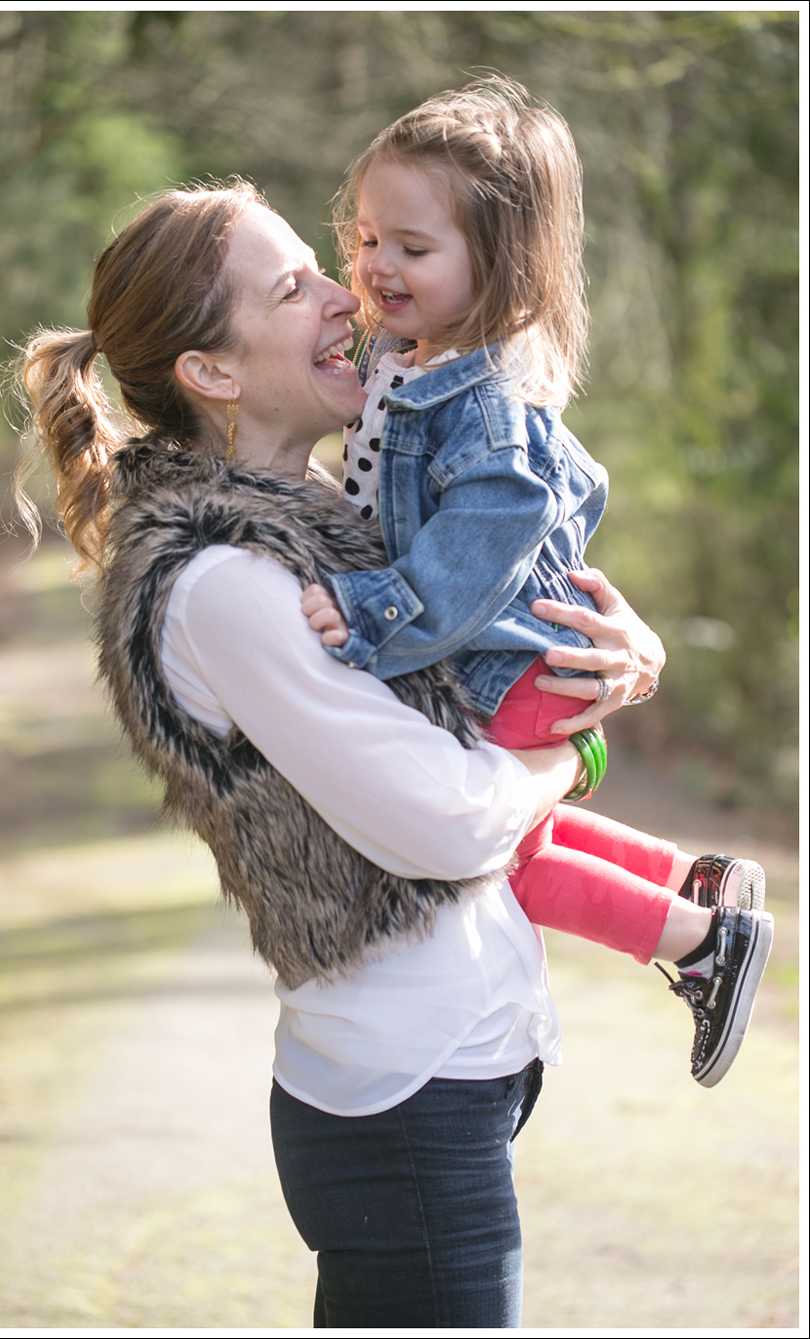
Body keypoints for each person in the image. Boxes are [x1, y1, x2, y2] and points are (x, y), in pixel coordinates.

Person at [12, 181, 695, 1328]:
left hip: (452, 1066)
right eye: (293, 287)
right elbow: (434, 816)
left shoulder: (334, 515)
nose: (348, 294)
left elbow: (488, 674)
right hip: (403, 1088)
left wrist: (628, 654)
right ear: (213, 373)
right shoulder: (226, 579)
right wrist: (575, 761)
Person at [300, 77, 773, 1088]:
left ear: (502, 267)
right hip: (509, 655)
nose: (378, 264)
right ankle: (693, 881)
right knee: (534, 823)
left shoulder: (481, 406)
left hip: (498, 660)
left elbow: (490, 534)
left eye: (413, 249)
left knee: (499, 852)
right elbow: (569, 484)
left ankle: (694, 939)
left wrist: (370, 612)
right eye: (369, 234)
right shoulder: (415, 359)